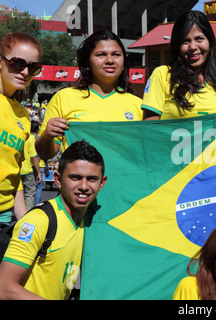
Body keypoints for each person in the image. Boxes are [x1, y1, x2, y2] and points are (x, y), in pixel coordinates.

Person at [0, 140, 107, 300]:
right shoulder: (38, 221)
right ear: (58, 179)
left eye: (91, 179)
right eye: (75, 177)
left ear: (102, 183)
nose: (84, 186)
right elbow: (4, 288)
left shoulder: (90, 221)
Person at [36, 30, 143, 160]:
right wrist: (47, 136)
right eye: (101, 55)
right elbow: (45, 154)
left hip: (125, 179)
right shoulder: (63, 97)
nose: (110, 60)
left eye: (116, 54)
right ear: (87, 63)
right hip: (81, 180)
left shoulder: (139, 105)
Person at [142, 10, 216, 120]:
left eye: (199, 39)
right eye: (185, 41)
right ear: (177, 46)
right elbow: (149, 128)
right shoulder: (162, 75)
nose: (193, 47)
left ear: (210, 42)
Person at [0, 32, 42, 224]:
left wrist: (24, 220)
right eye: (18, 63)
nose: (25, 72)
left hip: (5, 215)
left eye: (33, 67)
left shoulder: (23, 116)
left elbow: (14, 174)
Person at [20, 121, 41, 211]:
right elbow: (34, 157)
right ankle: (27, 215)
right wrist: (39, 172)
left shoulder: (23, 136)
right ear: (36, 130)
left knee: (18, 193)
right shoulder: (32, 139)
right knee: (29, 194)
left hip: (18, 169)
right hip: (28, 170)